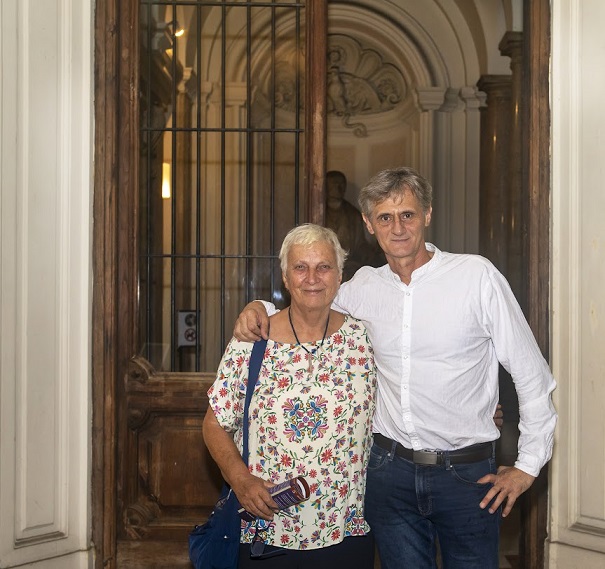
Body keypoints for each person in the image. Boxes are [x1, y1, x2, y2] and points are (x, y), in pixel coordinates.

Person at [232, 167, 557, 569]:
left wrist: (527, 466)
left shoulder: (476, 277)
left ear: (428, 215)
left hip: (467, 476)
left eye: (408, 215)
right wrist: (259, 308)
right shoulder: (363, 288)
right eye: (385, 217)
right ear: (369, 224)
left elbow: (531, 374)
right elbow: (310, 301)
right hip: (389, 475)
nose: (397, 228)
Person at [203, 224, 377, 569]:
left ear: (340, 276)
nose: (312, 278)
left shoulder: (364, 338)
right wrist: (241, 480)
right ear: (285, 277)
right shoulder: (253, 340)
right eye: (300, 267)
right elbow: (214, 423)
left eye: (323, 267)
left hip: (346, 531)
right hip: (266, 532)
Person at [325, 170, 382, 279]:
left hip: (349, 264)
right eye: (334, 184)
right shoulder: (318, 212)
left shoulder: (353, 214)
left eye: (342, 184)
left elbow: (360, 243)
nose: (339, 188)